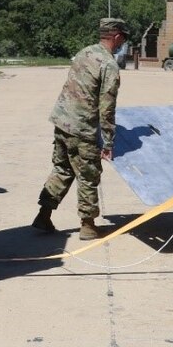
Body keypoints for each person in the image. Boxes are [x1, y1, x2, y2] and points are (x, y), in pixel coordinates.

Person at [31, 18, 129, 240]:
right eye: (123, 37)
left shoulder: (84, 52)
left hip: (62, 122)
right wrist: (108, 142)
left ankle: (43, 216)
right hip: (82, 129)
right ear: (116, 36)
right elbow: (107, 107)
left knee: (62, 169)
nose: (123, 42)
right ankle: (87, 226)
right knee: (88, 176)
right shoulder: (109, 64)